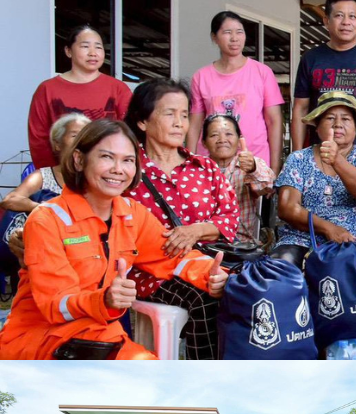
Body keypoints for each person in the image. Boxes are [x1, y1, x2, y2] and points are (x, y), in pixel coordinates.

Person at [0, 120, 228, 361]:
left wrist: (209, 274)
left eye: (128, 160)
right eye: (107, 157)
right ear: (79, 160)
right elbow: (56, 306)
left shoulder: (131, 213)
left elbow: (171, 255)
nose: (119, 169)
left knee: (152, 378)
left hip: (100, 338)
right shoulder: (47, 219)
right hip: (40, 341)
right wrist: (104, 299)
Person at [124, 79, 239, 361]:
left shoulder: (205, 167)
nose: (179, 123)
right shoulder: (127, 169)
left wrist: (196, 231)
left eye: (185, 115)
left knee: (250, 291)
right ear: (142, 121)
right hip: (152, 272)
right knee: (204, 301)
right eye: (169, 114)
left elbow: (229, 218)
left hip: (208, 262)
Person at [273, 91, 356, 265]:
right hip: (302, 238)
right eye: (330, 118)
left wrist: (337, 160)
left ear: (355, 129)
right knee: (279, 267)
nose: (338, 124)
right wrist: (328, 228)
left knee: (350, 267)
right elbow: (287, 208)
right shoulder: (298, 159)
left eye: (346, 119)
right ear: (317, 127)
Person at [292, 0, 356, 177]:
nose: (346, 22)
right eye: (339, 15)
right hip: (320, 155)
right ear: (326, 21)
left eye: (352, 16)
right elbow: (300, 109)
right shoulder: (310, 58)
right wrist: (297, 155)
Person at [188, 10, 285, 174]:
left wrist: (274, 167)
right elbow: (194, 125)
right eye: (227, 32)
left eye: (239, 32)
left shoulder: (262, 72)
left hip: (254, 162)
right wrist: (190, 164)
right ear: (214, 37)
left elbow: (274, 121)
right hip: (212, 164)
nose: (234, 38)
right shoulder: (201, 77)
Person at [26, 26, 132, 169]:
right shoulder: (47, 89)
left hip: (109, 172)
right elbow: (39, 138)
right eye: (85, 46)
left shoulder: (118, 89)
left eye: (98, 47)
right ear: (68, 51)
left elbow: (131, 133)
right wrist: (52, 176)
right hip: (63, 173)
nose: (93, 53)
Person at [202, 113, 276, 247]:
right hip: (205, 243)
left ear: (239, 140)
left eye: (229, 134)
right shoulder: (198, 169)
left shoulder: (249, 163)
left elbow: (268, 186)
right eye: (214, 135)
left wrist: (253, 168)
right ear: (204, 143)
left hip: (242, 245)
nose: (222, 139)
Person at [1, 113, 89, 215]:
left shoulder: (95, 176)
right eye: (75, 135)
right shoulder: (43, 176)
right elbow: (9, 200)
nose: (80, 141)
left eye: (86, 136)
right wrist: (47, 209)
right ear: (57, 145)